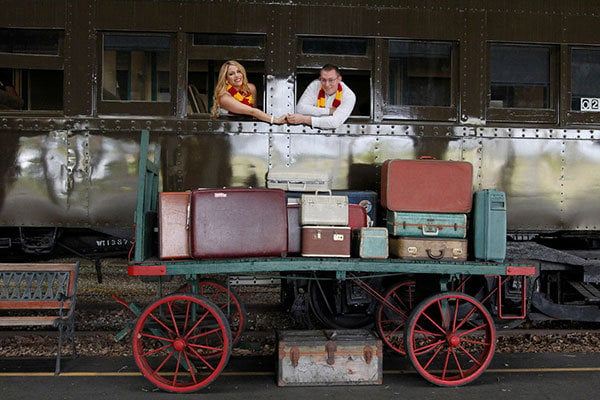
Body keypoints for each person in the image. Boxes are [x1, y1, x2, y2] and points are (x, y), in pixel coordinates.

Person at [211, 60, 285, 124]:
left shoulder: (250, 88)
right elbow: (252, 112)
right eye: (231, 74)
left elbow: (253, 116)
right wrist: (276, 120)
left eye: (238, 71)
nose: (237, 75)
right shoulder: (224, 98)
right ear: (226, 80)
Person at [287, 64, 356, 130]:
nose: (327, 84)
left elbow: (334, 122)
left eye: (331, 80)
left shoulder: (349, 95)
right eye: (323, 80)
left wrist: (304, 119)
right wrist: (328, 111)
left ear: (339, 79)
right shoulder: (315, 85)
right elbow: (300, 109)